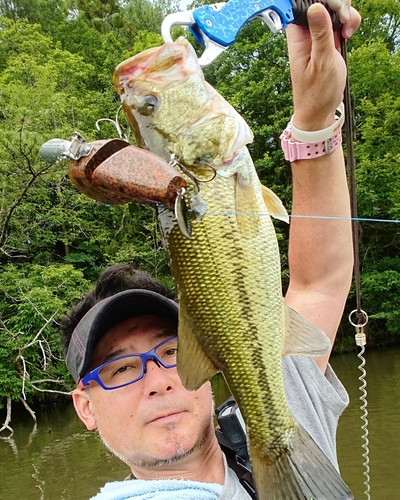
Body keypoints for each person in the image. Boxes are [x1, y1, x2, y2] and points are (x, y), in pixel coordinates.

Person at [61, 2, 362, 498]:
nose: (158, 381)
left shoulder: (277, 405)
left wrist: (313, 117)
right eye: (118, 369)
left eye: (174, 352)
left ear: (208, 360)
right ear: (85, 407)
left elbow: (319, 283)